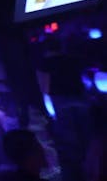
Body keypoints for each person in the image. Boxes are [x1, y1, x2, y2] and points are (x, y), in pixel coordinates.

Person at [35, 37, 91, 181]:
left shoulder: (44, 64)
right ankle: (91, 163)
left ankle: (77, 171)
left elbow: (45, 87)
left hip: (60, 100)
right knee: (86, 132)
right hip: (79, 97)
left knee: (68, 137)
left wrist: (48, 108)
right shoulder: (72, 59)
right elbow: (83, 78)